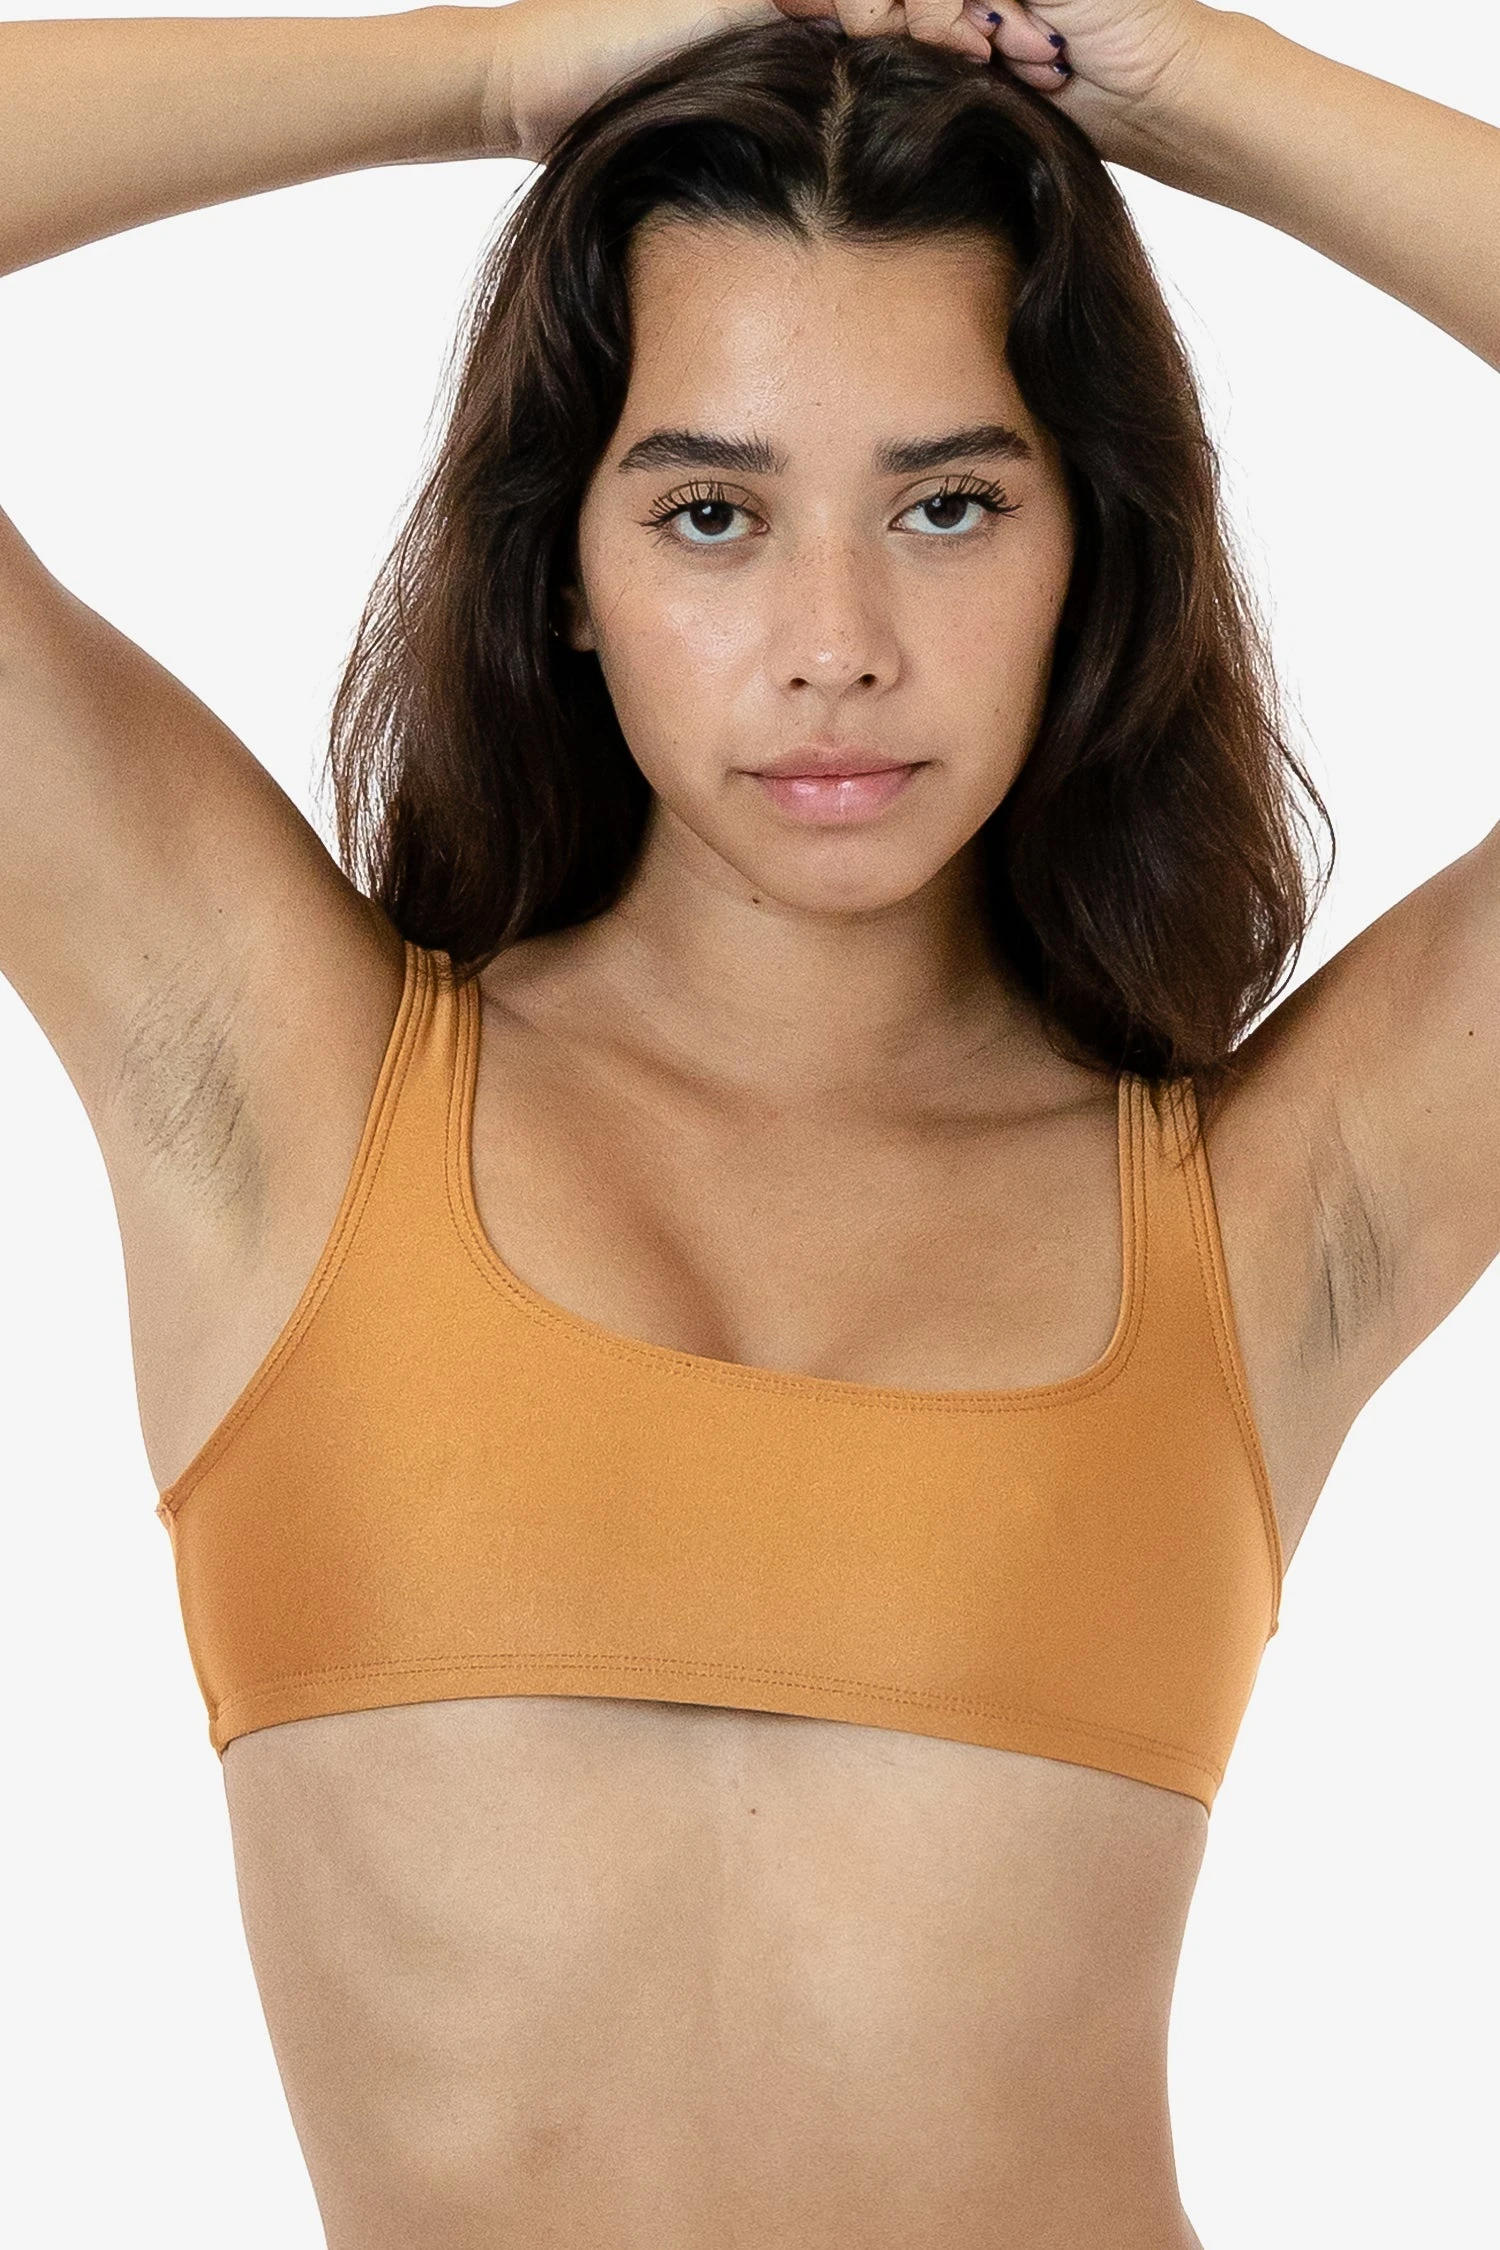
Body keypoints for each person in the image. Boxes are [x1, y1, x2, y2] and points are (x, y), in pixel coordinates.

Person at [1, 1, 1495, 2243]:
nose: (835, 640)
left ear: (1090, 549)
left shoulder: (1283, 1214)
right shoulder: (277, 1090)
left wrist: (1189, 88)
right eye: (713, 511)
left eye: (949, 504)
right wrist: (490, 76)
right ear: (566, 572)